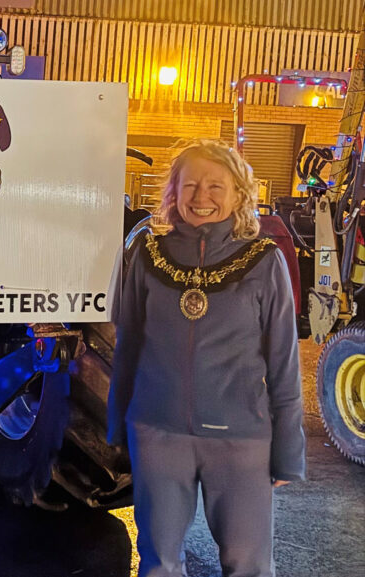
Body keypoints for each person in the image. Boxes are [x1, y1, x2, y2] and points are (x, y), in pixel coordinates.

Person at [108, 140, 306, 577]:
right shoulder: (146, 254)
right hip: (158, 434)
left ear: (239, 194)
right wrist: (117, 422)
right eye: (190, 185)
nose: (201, 197)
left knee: (249, 566)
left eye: (216, 186)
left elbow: (284, 363)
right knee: (160, 563)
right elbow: (129, 345)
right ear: (172, 192)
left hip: (241, 442)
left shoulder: (265, 261)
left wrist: (288, 451)